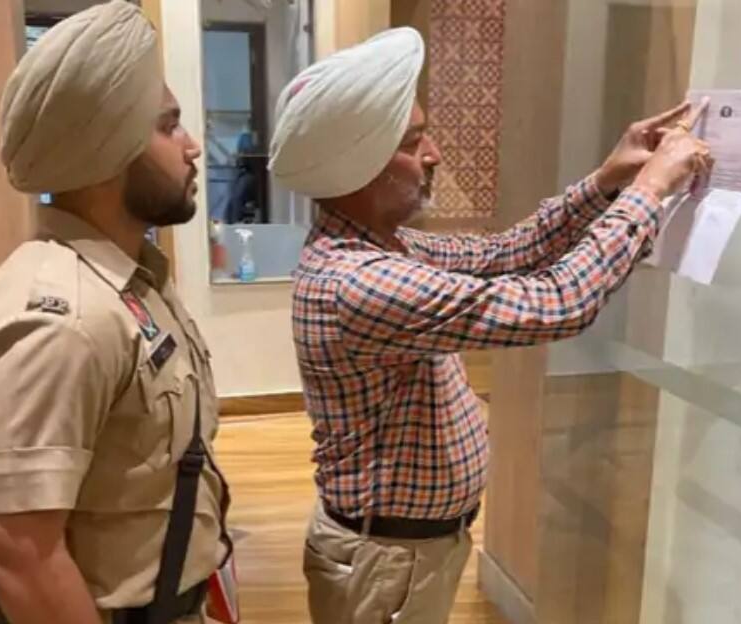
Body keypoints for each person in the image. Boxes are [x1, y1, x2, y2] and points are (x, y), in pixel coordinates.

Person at [268, 27, 712, 624]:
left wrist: (606, 181)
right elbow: (557, 303)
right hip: (387, 561)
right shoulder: (360, 282)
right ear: (361, 164)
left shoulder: (385, 249)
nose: (434, 154)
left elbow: (507, 252)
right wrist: (650, 191)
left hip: (401, 554)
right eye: (414, 142)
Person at [0, 2, 232, 622]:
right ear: (110, 150)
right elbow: (17, 556)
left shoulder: (134, 282)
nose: (192, 147)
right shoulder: (59, 321)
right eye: (169, 126)